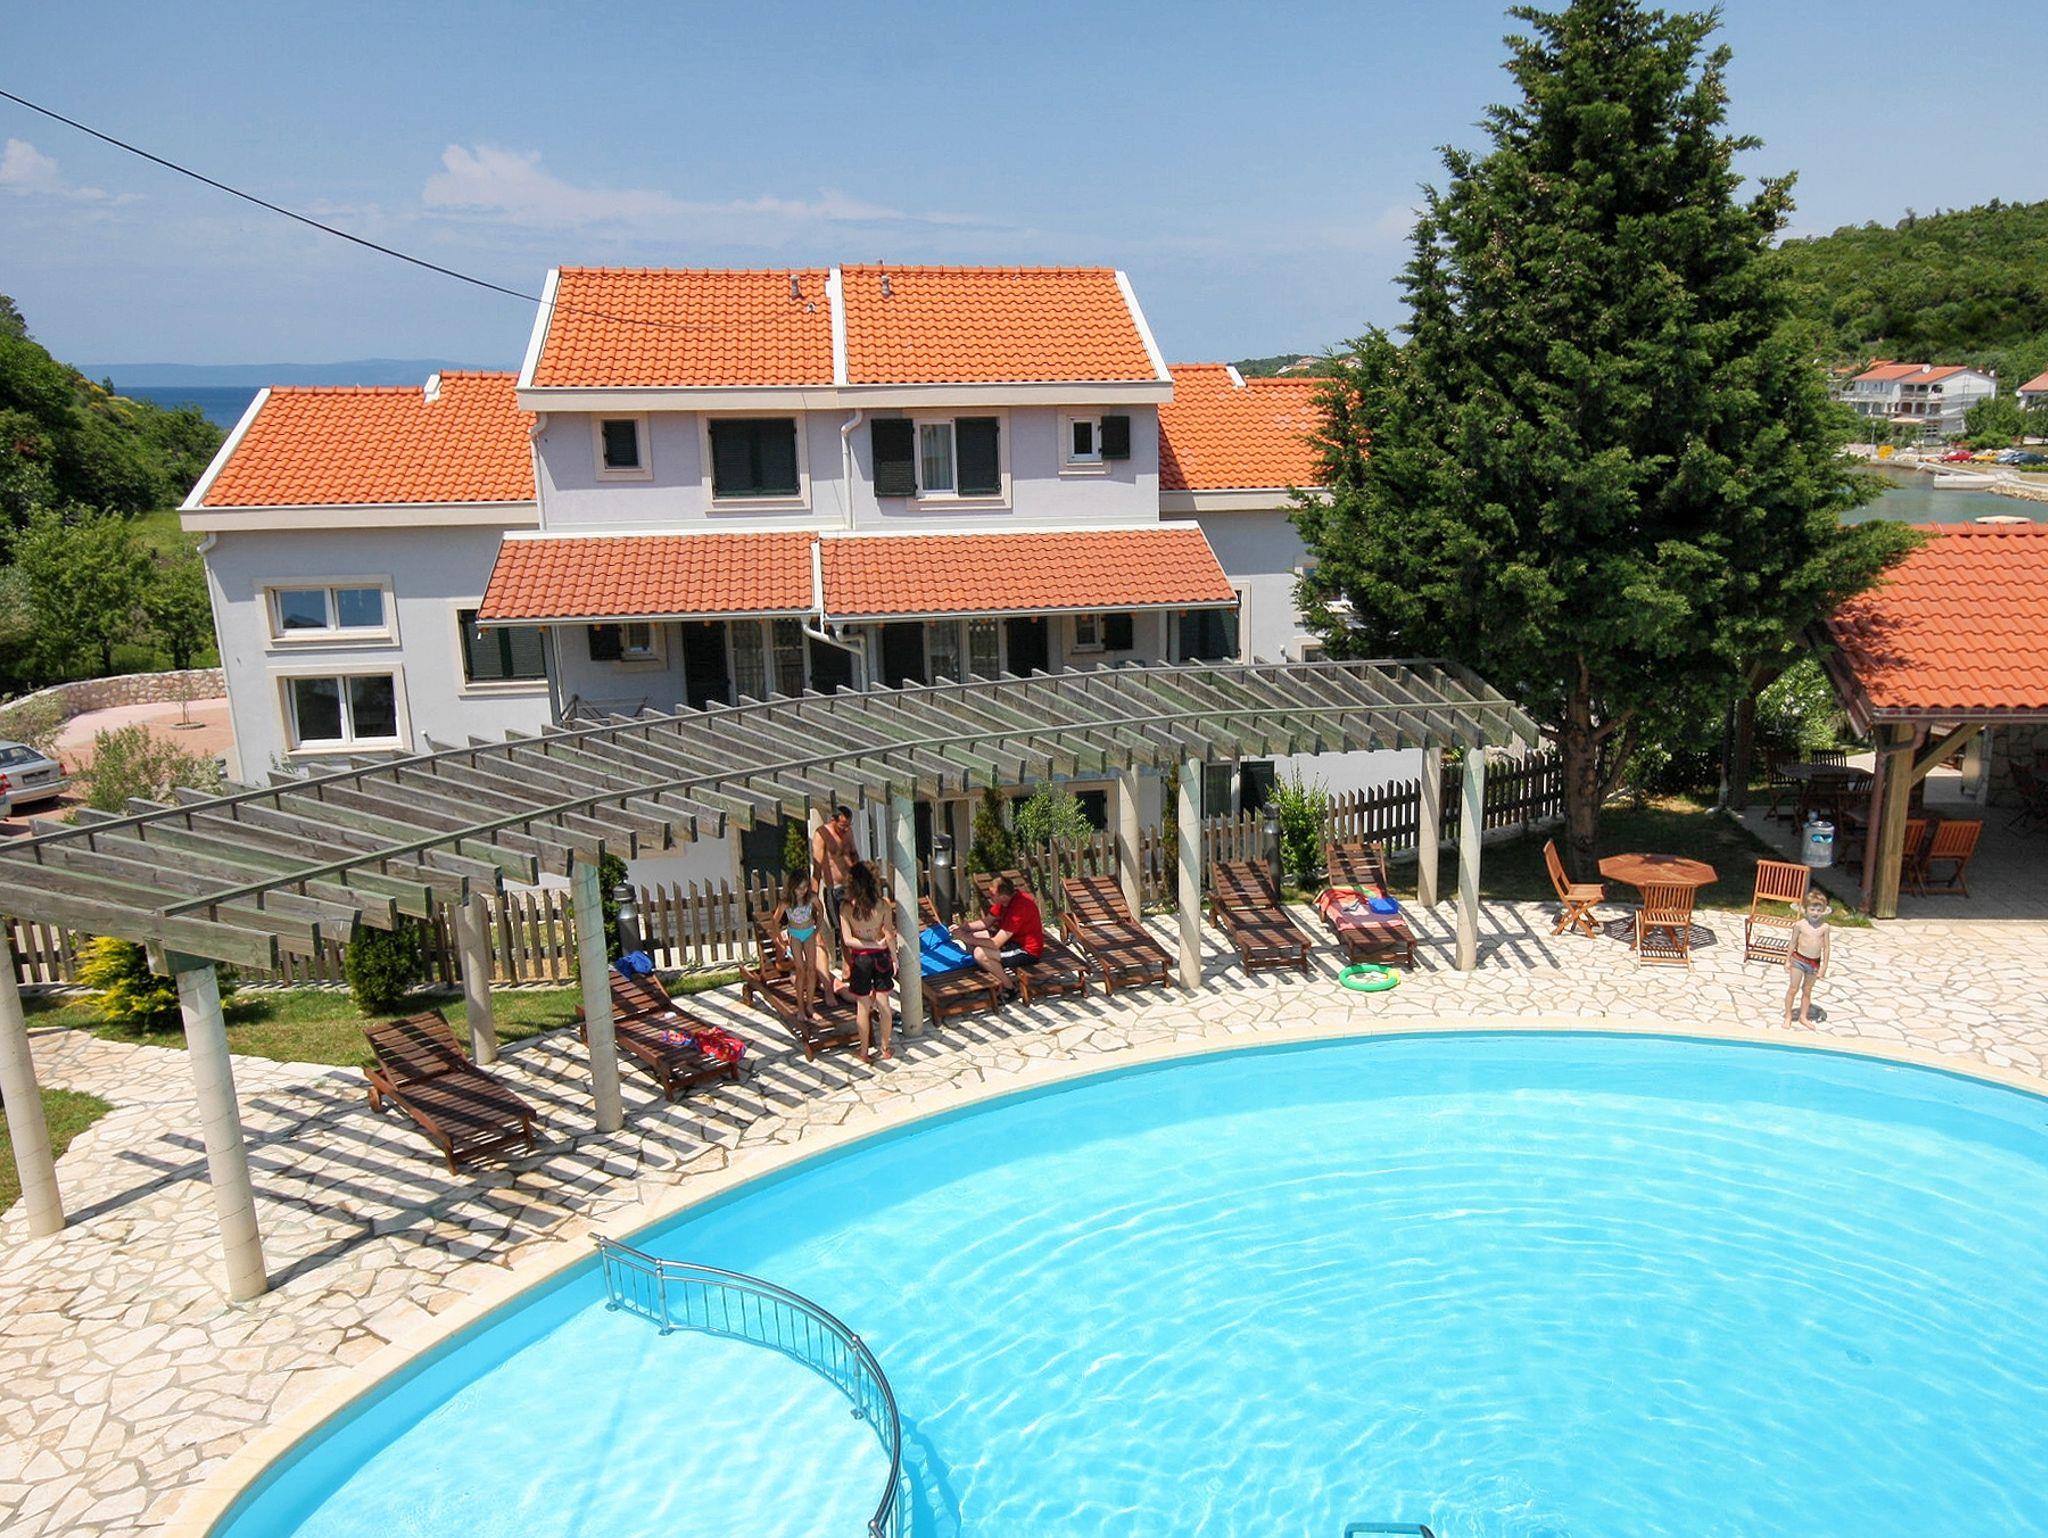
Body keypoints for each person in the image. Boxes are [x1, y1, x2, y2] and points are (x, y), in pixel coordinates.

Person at [838, 861, 896, 1062]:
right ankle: (885, 1048)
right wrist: (893, 957)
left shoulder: (846, 908)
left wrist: (870, 945)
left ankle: (864, 1052)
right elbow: (889, 935)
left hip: (861, 959)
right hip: (882, 959)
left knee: (862, 1007)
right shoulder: (883, 904)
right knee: (884, 1003)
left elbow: (848, 940)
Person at [953, 874, 1043, 996]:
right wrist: (963, 928)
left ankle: (1010, 988)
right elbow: (986, 922)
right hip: (1012, 940)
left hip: (1026, 950)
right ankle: (990, 975)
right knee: (975, 936)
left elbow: (996, 943)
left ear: (1003, 896)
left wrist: (965, 937)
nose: (989, 897)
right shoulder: (1005, 901)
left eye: (992, 895)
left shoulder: (1019, 908)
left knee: (980, 953)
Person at [771, 870, 837, 1022]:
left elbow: (820, 909)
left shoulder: (811, 898)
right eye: (799, 888)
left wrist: (817, 928)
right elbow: (775, 920)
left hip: (808, 933)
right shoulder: (786, 902)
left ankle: (810, 1006)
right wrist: (779, 939)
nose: (803, 891)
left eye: (805, 887)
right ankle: (800, 1008)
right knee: (800, 971)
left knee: (811, 970)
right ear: (792, 887)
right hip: (795, 935)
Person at [1781, 888, 1833, 1028]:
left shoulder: (1824, 927)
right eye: (1812, 909)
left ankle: (1803, 1016)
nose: (1815, 913)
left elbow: (1826, 948)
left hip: (1814, 964)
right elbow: (1793, 943)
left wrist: (1824, 967)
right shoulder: (1800, 925)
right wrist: (1787, 960)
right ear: (1805, 910)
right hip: (1799, 960)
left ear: (1823, 911)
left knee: (1807, 990)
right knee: (1793, 989)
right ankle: (1788, 1015)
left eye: (1819, 910)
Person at [812, 805, 857, 957]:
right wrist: (813, 897)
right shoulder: (822, 834)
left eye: (849, 825)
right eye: (843, 826)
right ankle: (848, 964)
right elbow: (817, 869)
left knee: (857, 926)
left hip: (851, 886)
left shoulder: (848, 832)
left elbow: (854, 854)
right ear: (833, 820)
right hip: (834, 889)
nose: (846, 829)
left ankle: (855, 962)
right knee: (843, 931)